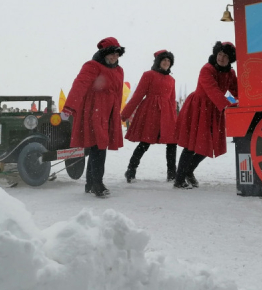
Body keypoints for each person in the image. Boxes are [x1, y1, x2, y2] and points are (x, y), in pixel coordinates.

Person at [61, 37, 125, 198]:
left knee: (98, 146)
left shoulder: (119, 70)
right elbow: (80, 84)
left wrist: (116, 114)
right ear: (104, 54)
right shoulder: (92, 66)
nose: (114, 57)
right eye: (111, 54)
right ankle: (98, 183)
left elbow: (118, 93)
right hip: (94, 111)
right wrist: (69, 107)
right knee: (99, 147)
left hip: (108, 112)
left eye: (117, 54)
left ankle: (90, 183)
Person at [173, 41, 238, 189]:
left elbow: (232, 91)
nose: (221, 58)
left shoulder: (230, 73)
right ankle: (179, 179)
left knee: (208, 144)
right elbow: (213, 91)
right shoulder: (207, 69)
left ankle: (188, 171)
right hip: (198, 109)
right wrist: (230, 104)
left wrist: (236, 101)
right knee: (191, 145)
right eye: (220, 54)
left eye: (225, 56)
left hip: (214, 110)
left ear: (230, 59)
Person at [122, 50, 178, 183]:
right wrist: (125, 113)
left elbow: (172, 100)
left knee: (172, 143)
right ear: (158, 61)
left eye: (169, 61)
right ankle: (131, 170)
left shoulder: (171, 79)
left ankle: (172, 173)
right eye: (164, 60)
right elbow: (138, 95)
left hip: (167, 115)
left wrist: (174, 118)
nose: (166, 63)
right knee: (145, 143)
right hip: (150, 113)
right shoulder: (148, 75)